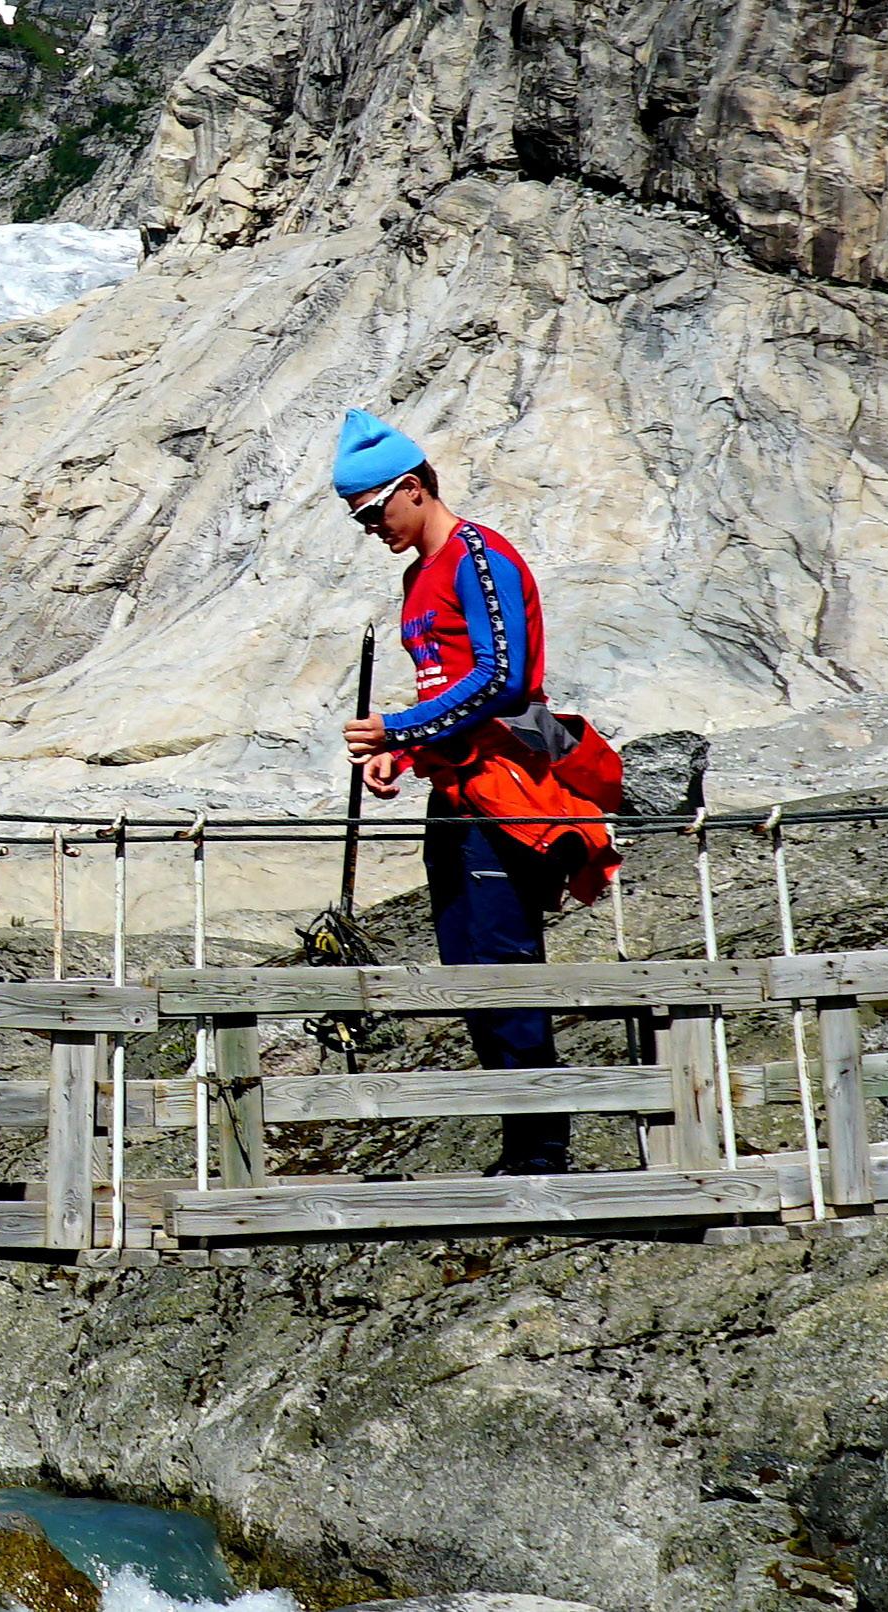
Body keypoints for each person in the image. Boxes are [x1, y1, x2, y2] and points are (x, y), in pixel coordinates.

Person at [334, 409, 619, 1176]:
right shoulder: (415, 578)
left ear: (413, 487)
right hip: (454, 792)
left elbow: (502, 679)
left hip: (506, 790)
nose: (371, 529)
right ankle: (521, 1143)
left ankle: (543, 1150)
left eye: (373, 512)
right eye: (359, 520)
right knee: (468, 969)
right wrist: (406, 753)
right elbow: (448, 686)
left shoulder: (479, 556)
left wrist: (397, 727)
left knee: (503, 962)